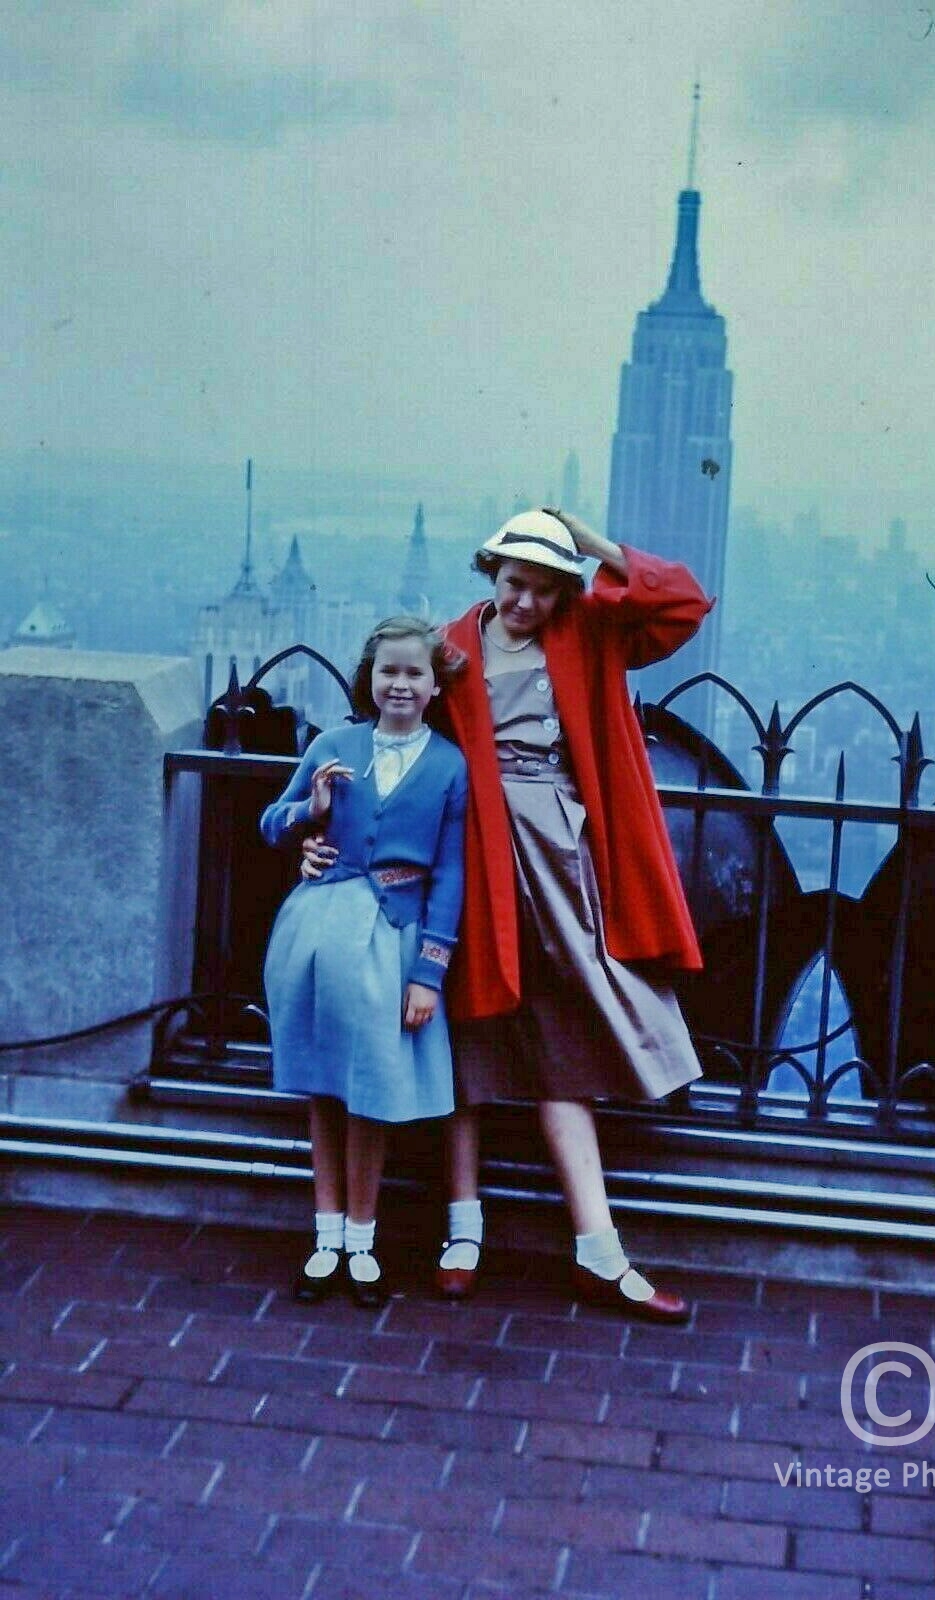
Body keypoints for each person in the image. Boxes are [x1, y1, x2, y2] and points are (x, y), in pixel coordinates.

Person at [304, 510, 711, 1323]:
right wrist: (324, 841)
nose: (527, 602)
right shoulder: (447, 645)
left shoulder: (591, 627)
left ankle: (599, 1250)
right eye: (515, 582)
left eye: (546, 588)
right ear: (489, 572)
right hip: (468, 854)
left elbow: (682, 605)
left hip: (558, 852)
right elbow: (385, 743)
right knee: (464, 1027)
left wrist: (592, 548)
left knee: (570, 1022)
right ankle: (464, 1231)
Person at [261, 616, 467, 1307]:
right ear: (369, 678)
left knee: (371, 1091)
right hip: (320, 932)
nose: (399, 684)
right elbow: (271, 819)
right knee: (324, 1083)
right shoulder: (333, 745)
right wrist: (307, 814)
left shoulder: (448, 766)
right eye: (388, 672)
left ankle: (361, 1237)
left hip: (393, 942)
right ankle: (324, 1237)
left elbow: (452, 875)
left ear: (436, 685)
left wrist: (429, 973)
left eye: (414, 673)